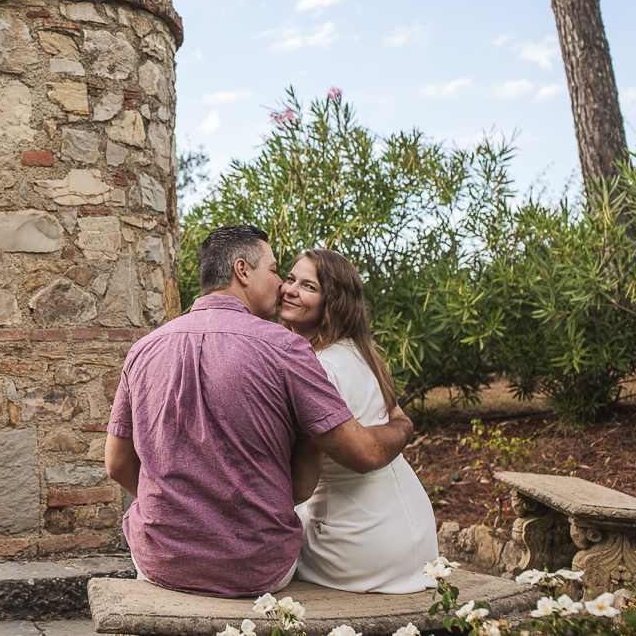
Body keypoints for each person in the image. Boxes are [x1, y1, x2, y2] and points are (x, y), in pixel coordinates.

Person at [105, 225, 415, 598]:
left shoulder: (143, 350)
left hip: (160, 559)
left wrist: (181, 509)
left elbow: (117, 465)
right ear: (242, 271)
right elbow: (316, 479)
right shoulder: (287, 349)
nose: (282, 286)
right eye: (274, 271)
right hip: (256, 569)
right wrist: (402, 424)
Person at [282, 249, 438, 593]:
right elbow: (395, 416)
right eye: (290, 279)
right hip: (415, 534)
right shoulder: (360, 351)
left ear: (333, 303)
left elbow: (299, 487)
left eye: (308, 286)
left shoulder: (317, 369)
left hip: (360, 543)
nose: (289, 289)